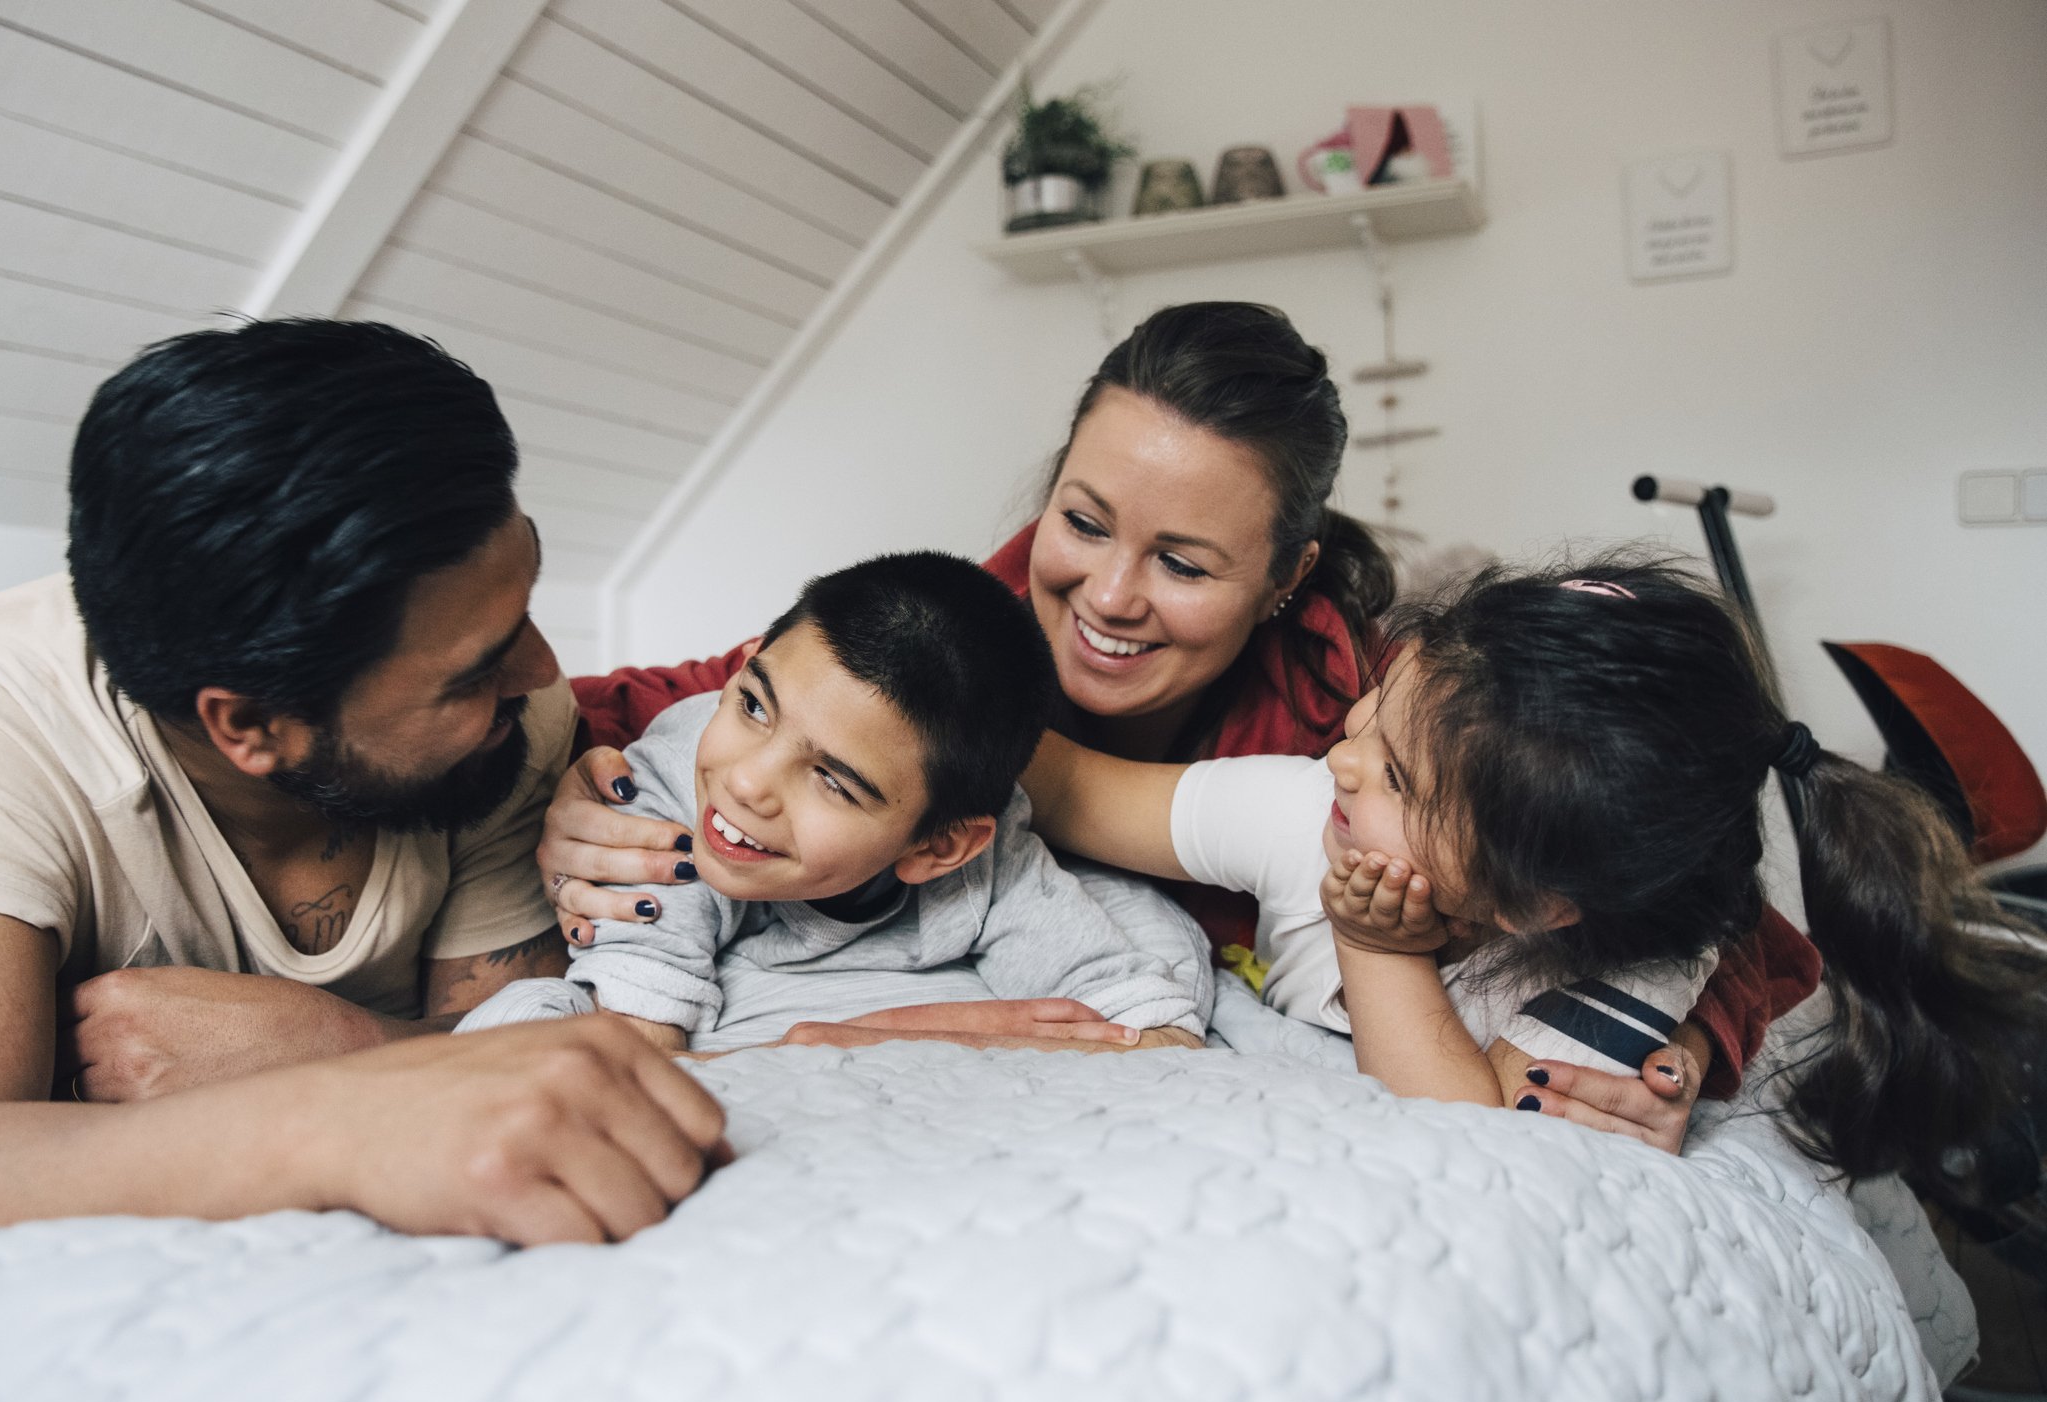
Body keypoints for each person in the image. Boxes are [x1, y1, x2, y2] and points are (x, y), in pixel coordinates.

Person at [542, 302, 1821, 1152]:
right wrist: (569, 783)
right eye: (1084, 523)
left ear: (1285, 578)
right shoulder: (948, 647)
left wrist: (1675, 1050)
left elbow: (1701, 887)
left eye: (1185, 563)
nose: (1107, 596)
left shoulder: (1372, 721)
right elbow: (651, 703)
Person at [0, 318, 727, 1242]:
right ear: (253, 726)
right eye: (471, 675)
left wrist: (337, 1047)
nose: (544, 672)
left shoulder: (511, 725)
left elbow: (513, 1038)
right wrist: (315, 1121)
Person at [1024, 555, 2047, 1187]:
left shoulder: (1644, 967)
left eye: (1394, 773)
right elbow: (1073, 792)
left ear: (1536, 903)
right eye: (1369, 712)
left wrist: (1377, 946)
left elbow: (1475, 1136)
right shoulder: (1311, 808)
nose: (1341, 754)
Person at [463, 552, 1211, 1050]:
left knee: (1149, 923)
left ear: (938, 848)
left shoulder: (987, 863)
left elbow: (1148, 1030)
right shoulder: (665, 801)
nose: (748, 781)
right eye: (754, 706)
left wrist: (899, 1033)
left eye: (831, 780)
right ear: (749, 662)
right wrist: (852, 1038)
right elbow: (634, 1049)